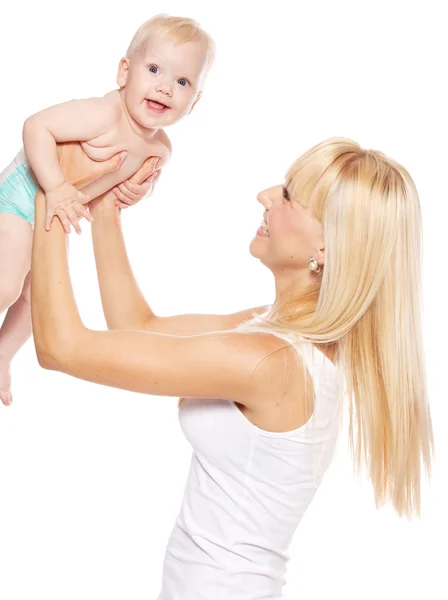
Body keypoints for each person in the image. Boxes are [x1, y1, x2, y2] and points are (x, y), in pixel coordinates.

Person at [30, 137, 433, 599]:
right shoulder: (279, 335)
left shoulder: (269, 361)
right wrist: (105, 206)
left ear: (325, 244)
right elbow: (138, 326)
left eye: (287, 196)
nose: (265, 195)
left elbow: (61, 347)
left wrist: (49, 194)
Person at [0, 14, 215, 406]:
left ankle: (1, 356)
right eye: (154, 70)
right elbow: (36, 127)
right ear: (124, 72)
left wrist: (136, 193)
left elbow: (121, 188)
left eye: (182, 82)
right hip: (18, 199)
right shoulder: (104, 113)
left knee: (37, 300)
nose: (165, 88)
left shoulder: (160, 150)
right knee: (6, 284)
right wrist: (57, 185)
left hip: (55, 221)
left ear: (194, 101)